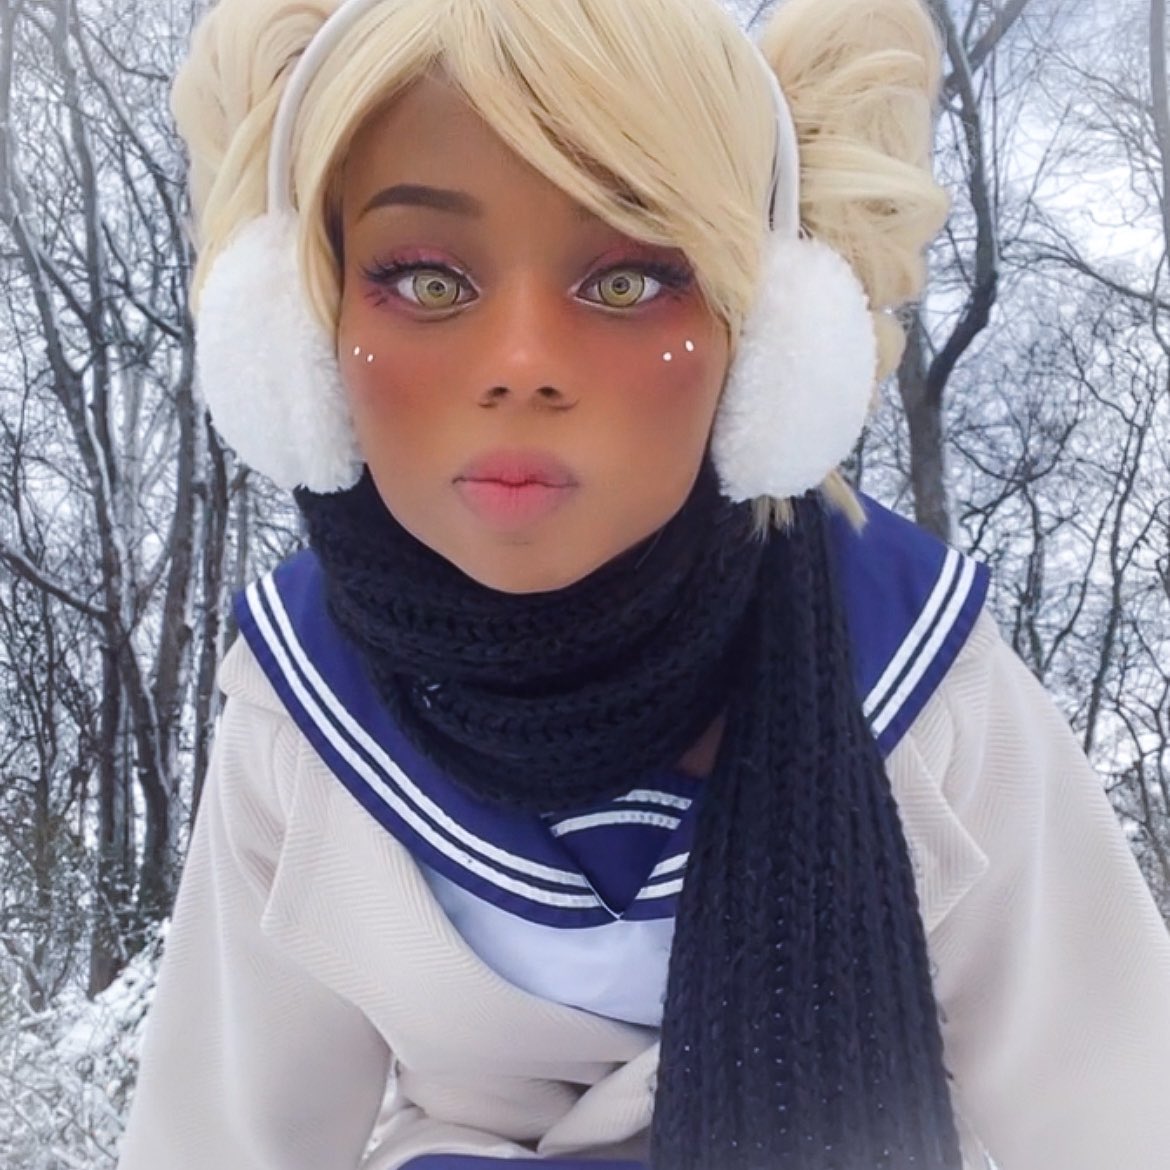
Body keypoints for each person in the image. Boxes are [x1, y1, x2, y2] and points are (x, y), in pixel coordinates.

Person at [117, 0, 1170, 1167]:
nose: (522, 366)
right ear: (298, 328)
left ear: (766, 339)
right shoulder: (299, 712)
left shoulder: (926, 682)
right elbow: (223, 1135)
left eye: (627, 282)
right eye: (425, 280)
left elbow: (1112, 1102)